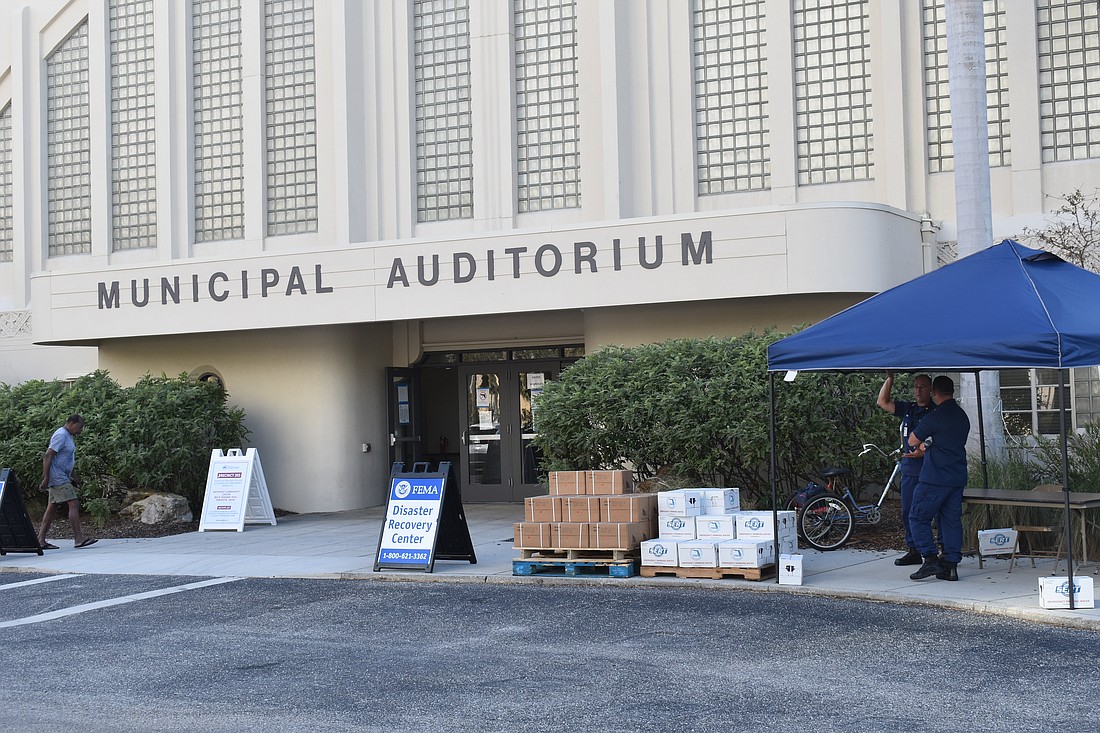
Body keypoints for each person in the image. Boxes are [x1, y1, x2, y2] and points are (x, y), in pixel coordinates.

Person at [907, 376, 970, 582]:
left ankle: (930, 559)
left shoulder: (935, 416)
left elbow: (913, 440)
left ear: (934, 391)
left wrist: (925, 444)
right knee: (951, 520)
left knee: (917, 516)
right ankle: (950, 566)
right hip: (957, 476)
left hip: (934, 477)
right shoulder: (962, 416)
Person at [876, 371, 935, 566]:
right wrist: (890, 379)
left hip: (930, 470)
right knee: (908, 510)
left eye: (922, 387)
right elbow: (882, 402)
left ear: (931, 390)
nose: (918, 391)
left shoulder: (936, 412)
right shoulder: (908, 409)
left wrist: (923, 451)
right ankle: (914, 550)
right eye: (915, 387)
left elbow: (939, 439)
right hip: (909, 469)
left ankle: (936, 552)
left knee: (932, 512)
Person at [36, 414, 97, 550]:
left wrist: (73, 475)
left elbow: (65, 458)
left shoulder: (67, 436)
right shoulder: (61, 435)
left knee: (52, 507)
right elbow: (48, 455)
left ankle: (40, 540)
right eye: (79, 427)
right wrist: (46, 478)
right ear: (71, 423)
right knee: (73, 503)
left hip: (62, 475)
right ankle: (79, 538)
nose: (80, 430)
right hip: (58, 477)